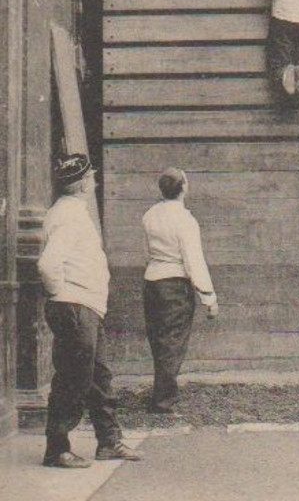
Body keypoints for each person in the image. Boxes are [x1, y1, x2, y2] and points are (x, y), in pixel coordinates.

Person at [37, 154, 141, 468]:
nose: (93, 180)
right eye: (91, 176)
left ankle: (108, 442)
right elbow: (48, 263)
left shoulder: (70, 212)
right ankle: (57, 449)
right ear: (82, 183)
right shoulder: (69, 216)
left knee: (98, 378)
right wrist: (63, 294)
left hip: (86, 307)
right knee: (73, 378)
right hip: (76, 306)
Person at [142, 168, 219, 415]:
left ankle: (161, 393)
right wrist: (208, 297)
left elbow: (147, 251)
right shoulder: (185, 221)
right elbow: (193, 261)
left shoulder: (150, 215)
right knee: (172, 342)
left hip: (152, 282)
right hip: (174, 286)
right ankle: (163, 401)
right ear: (184, 187)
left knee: (159, 339)